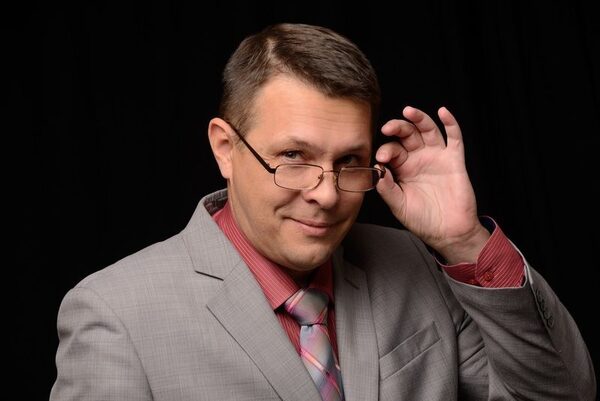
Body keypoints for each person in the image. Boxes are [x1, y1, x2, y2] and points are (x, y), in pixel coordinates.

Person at [50, 22, 596, 401]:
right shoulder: (116, 314)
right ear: (225, 148)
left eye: (349, 161)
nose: (328, 195)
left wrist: (464, 241)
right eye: (294, 157)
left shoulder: (413, 262)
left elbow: (561, 395)